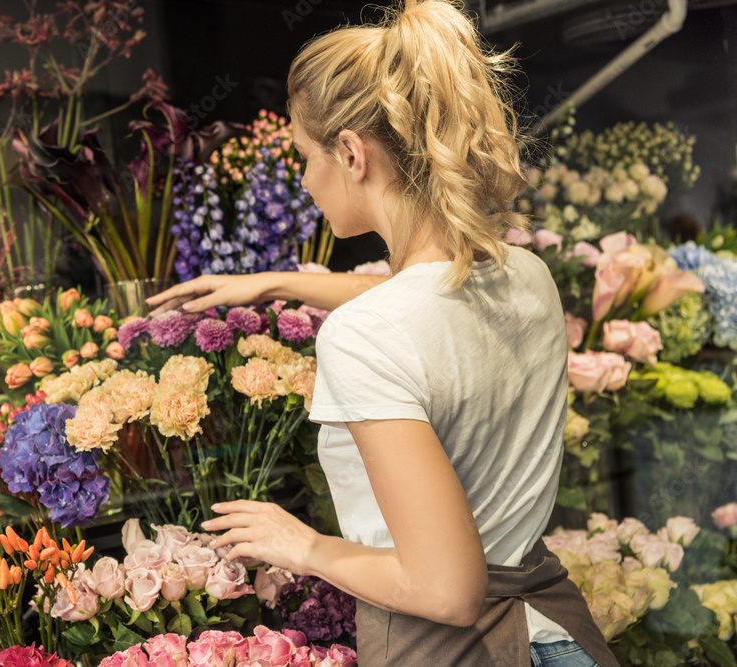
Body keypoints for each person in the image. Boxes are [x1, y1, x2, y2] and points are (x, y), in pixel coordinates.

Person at [147, 1, 618, 665]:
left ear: (351, 152)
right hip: (561, 635)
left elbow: (447, 591)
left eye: (307, 157)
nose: (306, 181)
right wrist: (277, 281)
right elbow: (428, 308)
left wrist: (301, 545)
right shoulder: (528, 275)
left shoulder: (366, 335)